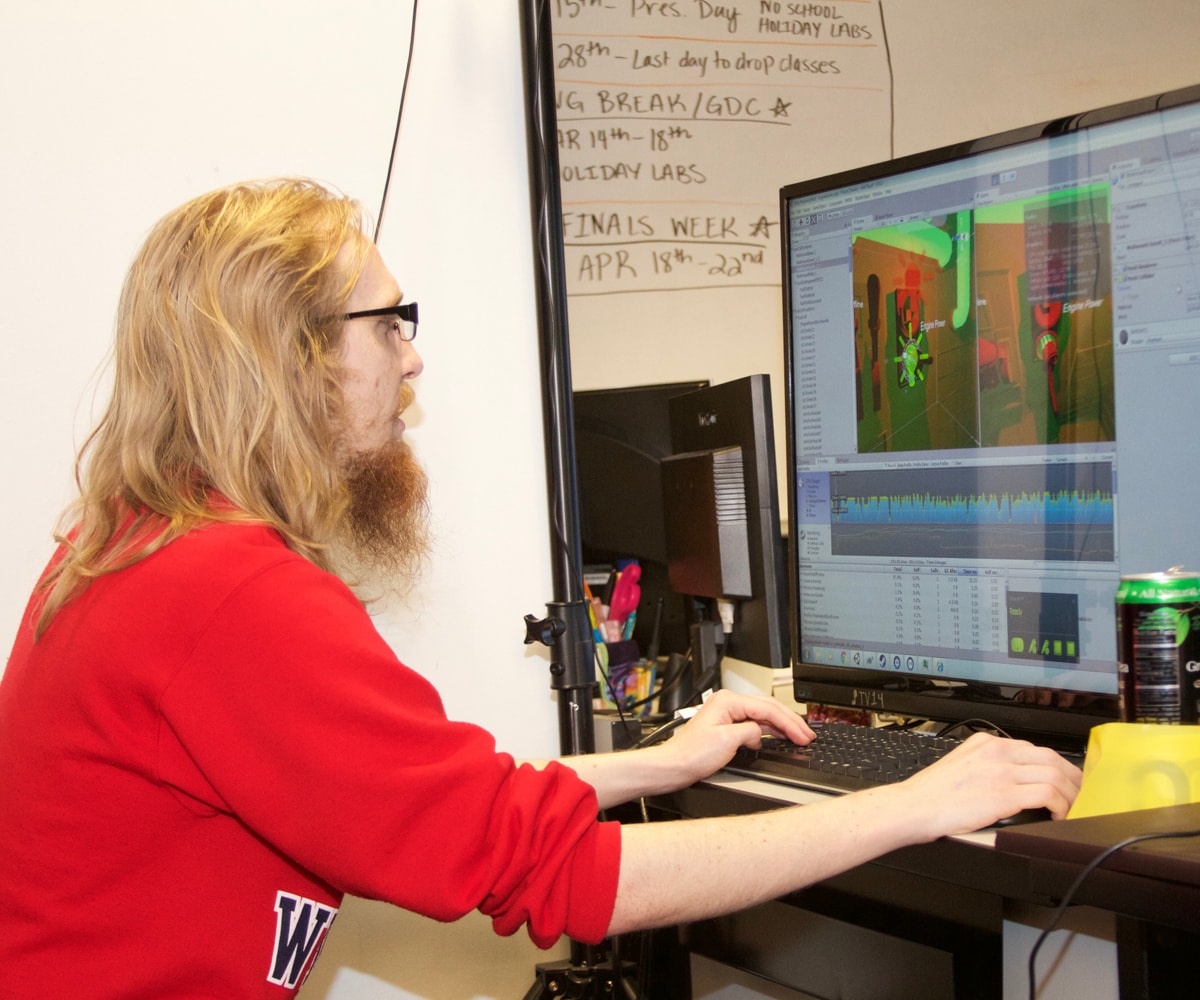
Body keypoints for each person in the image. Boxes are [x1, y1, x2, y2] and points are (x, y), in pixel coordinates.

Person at [0, 178, 1082, 998]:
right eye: (387, 322)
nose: (409, 359)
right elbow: (557, 877)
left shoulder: (143, 546)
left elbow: (452, 811)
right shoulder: (226, 595)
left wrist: (660, 761)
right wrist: (912, 803)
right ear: (294, 358)